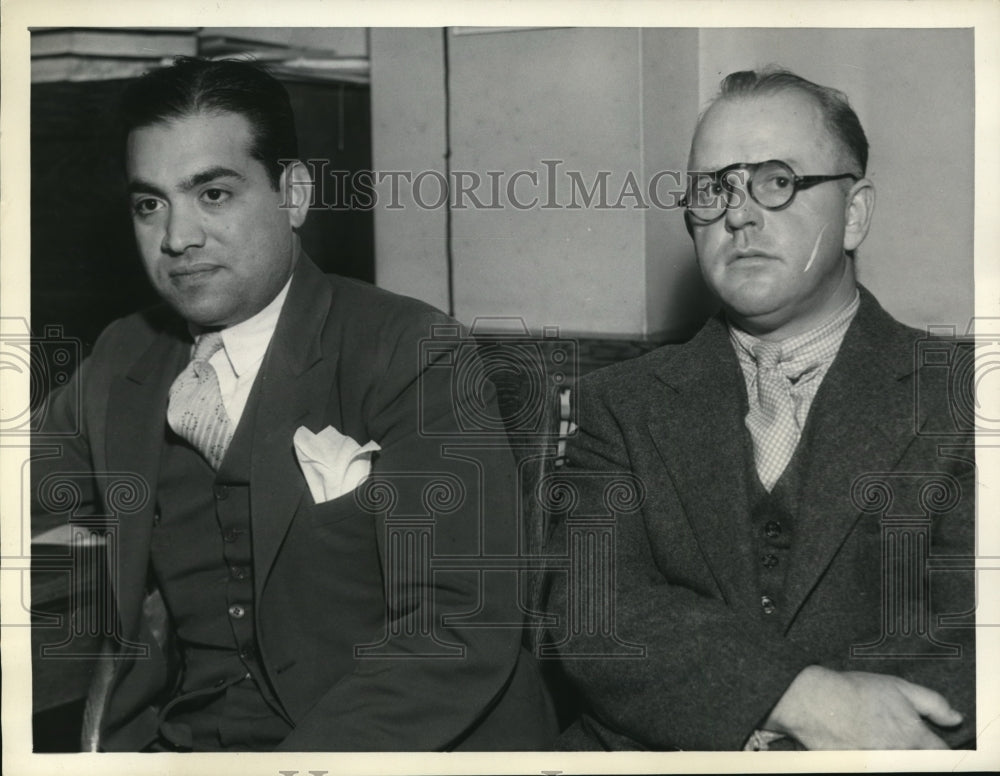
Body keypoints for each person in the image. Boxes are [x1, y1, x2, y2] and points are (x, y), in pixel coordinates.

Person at [31, 56, 556, 752]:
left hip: (395, 748)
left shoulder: (412, 350)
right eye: (149, 204)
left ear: (295, 194)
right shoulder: (126, 356)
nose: (177, 238)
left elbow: (460, 626)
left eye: (213, 194)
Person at [543, 67, 975, 750]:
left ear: (855, 213)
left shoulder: (966, 399)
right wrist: (797, 699)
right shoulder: (618, 405)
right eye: (714, 189)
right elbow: (599, 616)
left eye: (777, 180)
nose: (739, 214)